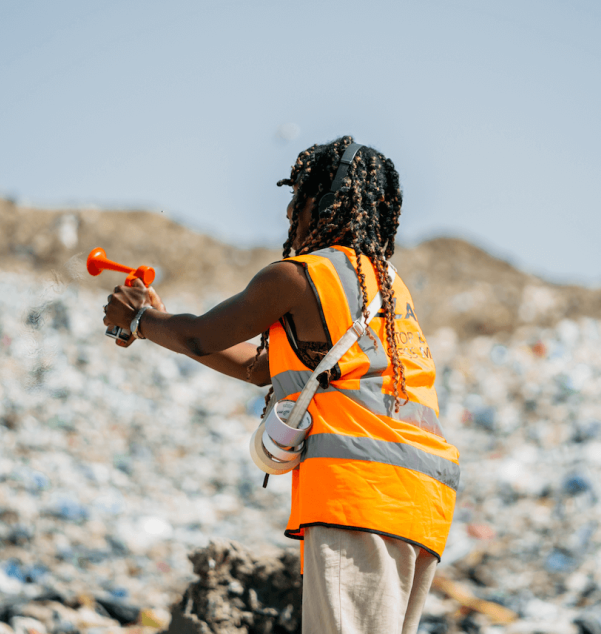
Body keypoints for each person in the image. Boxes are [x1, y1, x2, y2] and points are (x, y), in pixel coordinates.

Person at [103, 136, 459, 634]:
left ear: (325, 202)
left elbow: (202, 336)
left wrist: (139, 319)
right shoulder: (384, 286)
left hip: (359, 495)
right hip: (422, 502)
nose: (291, 210)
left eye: (300, 196)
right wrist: (159, 322)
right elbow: (259, 368)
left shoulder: (297, 277)